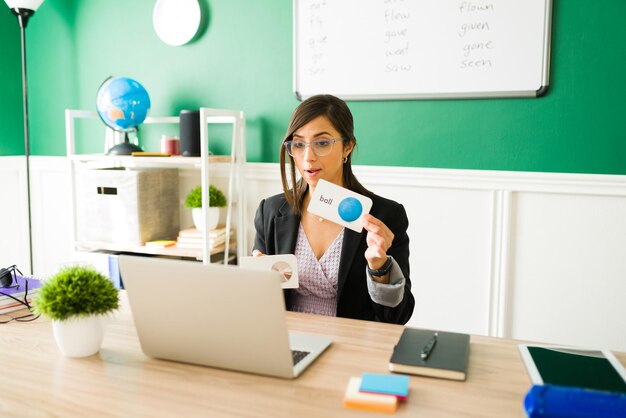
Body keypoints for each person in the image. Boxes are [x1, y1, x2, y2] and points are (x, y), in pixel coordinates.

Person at [253, 94, 414, 325]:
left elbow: (398, 317)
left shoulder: (385, 216)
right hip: (286, 340)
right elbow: (259, 307)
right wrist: (256, 282)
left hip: (352, 345)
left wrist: (380, 268)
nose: (308, 157)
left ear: (347, 146)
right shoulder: (270, 211)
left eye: (322, 143)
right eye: (298, 144)